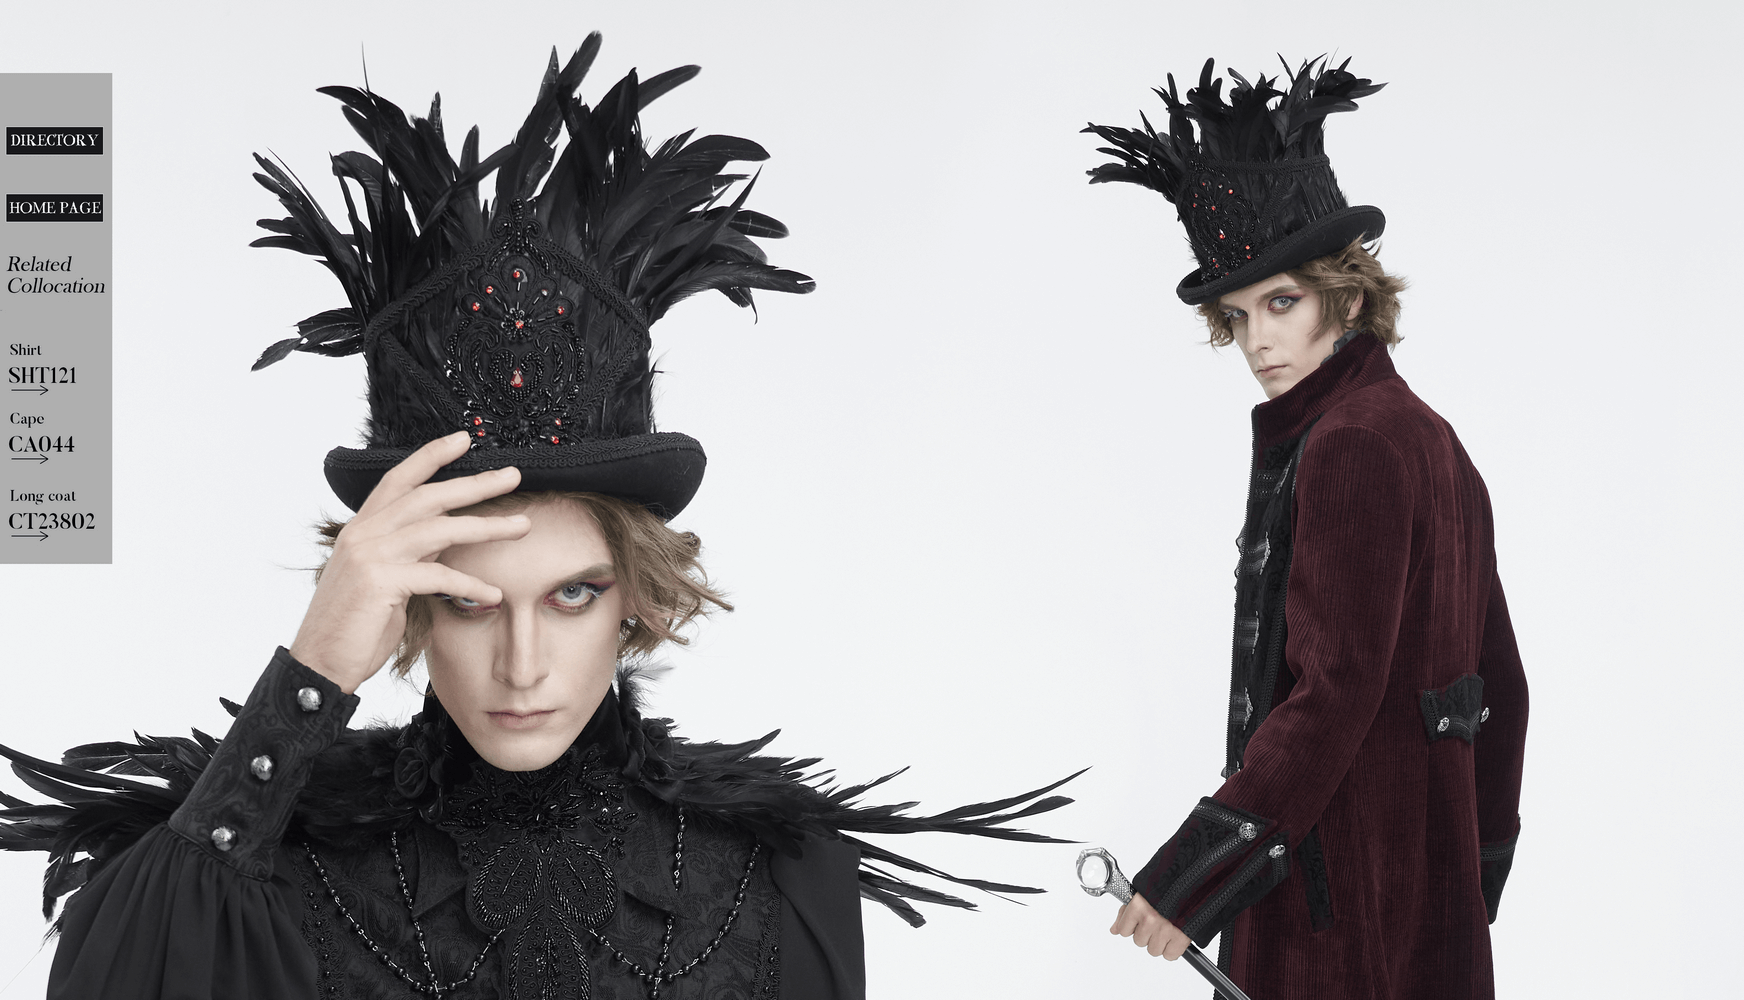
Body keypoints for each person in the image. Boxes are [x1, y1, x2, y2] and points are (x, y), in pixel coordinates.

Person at [0, 36, 1074, 1000]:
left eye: (572, 594)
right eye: (468, 604)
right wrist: (313, 671)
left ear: (636, 599)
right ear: (406, 610)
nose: (522, 665)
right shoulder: (273, 854)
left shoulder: (777, 870)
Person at [1081, 58, 1528, 998]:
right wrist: (1469, 880)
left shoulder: (1351, 444)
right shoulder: (1436, 441)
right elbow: (1505, 690)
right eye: (1238, 317)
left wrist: (1190, 880)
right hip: (1424, 912)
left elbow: (1336, 689)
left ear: (1348, 295)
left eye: (1282, 303)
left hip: (1337, 919)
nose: (1258, 343)